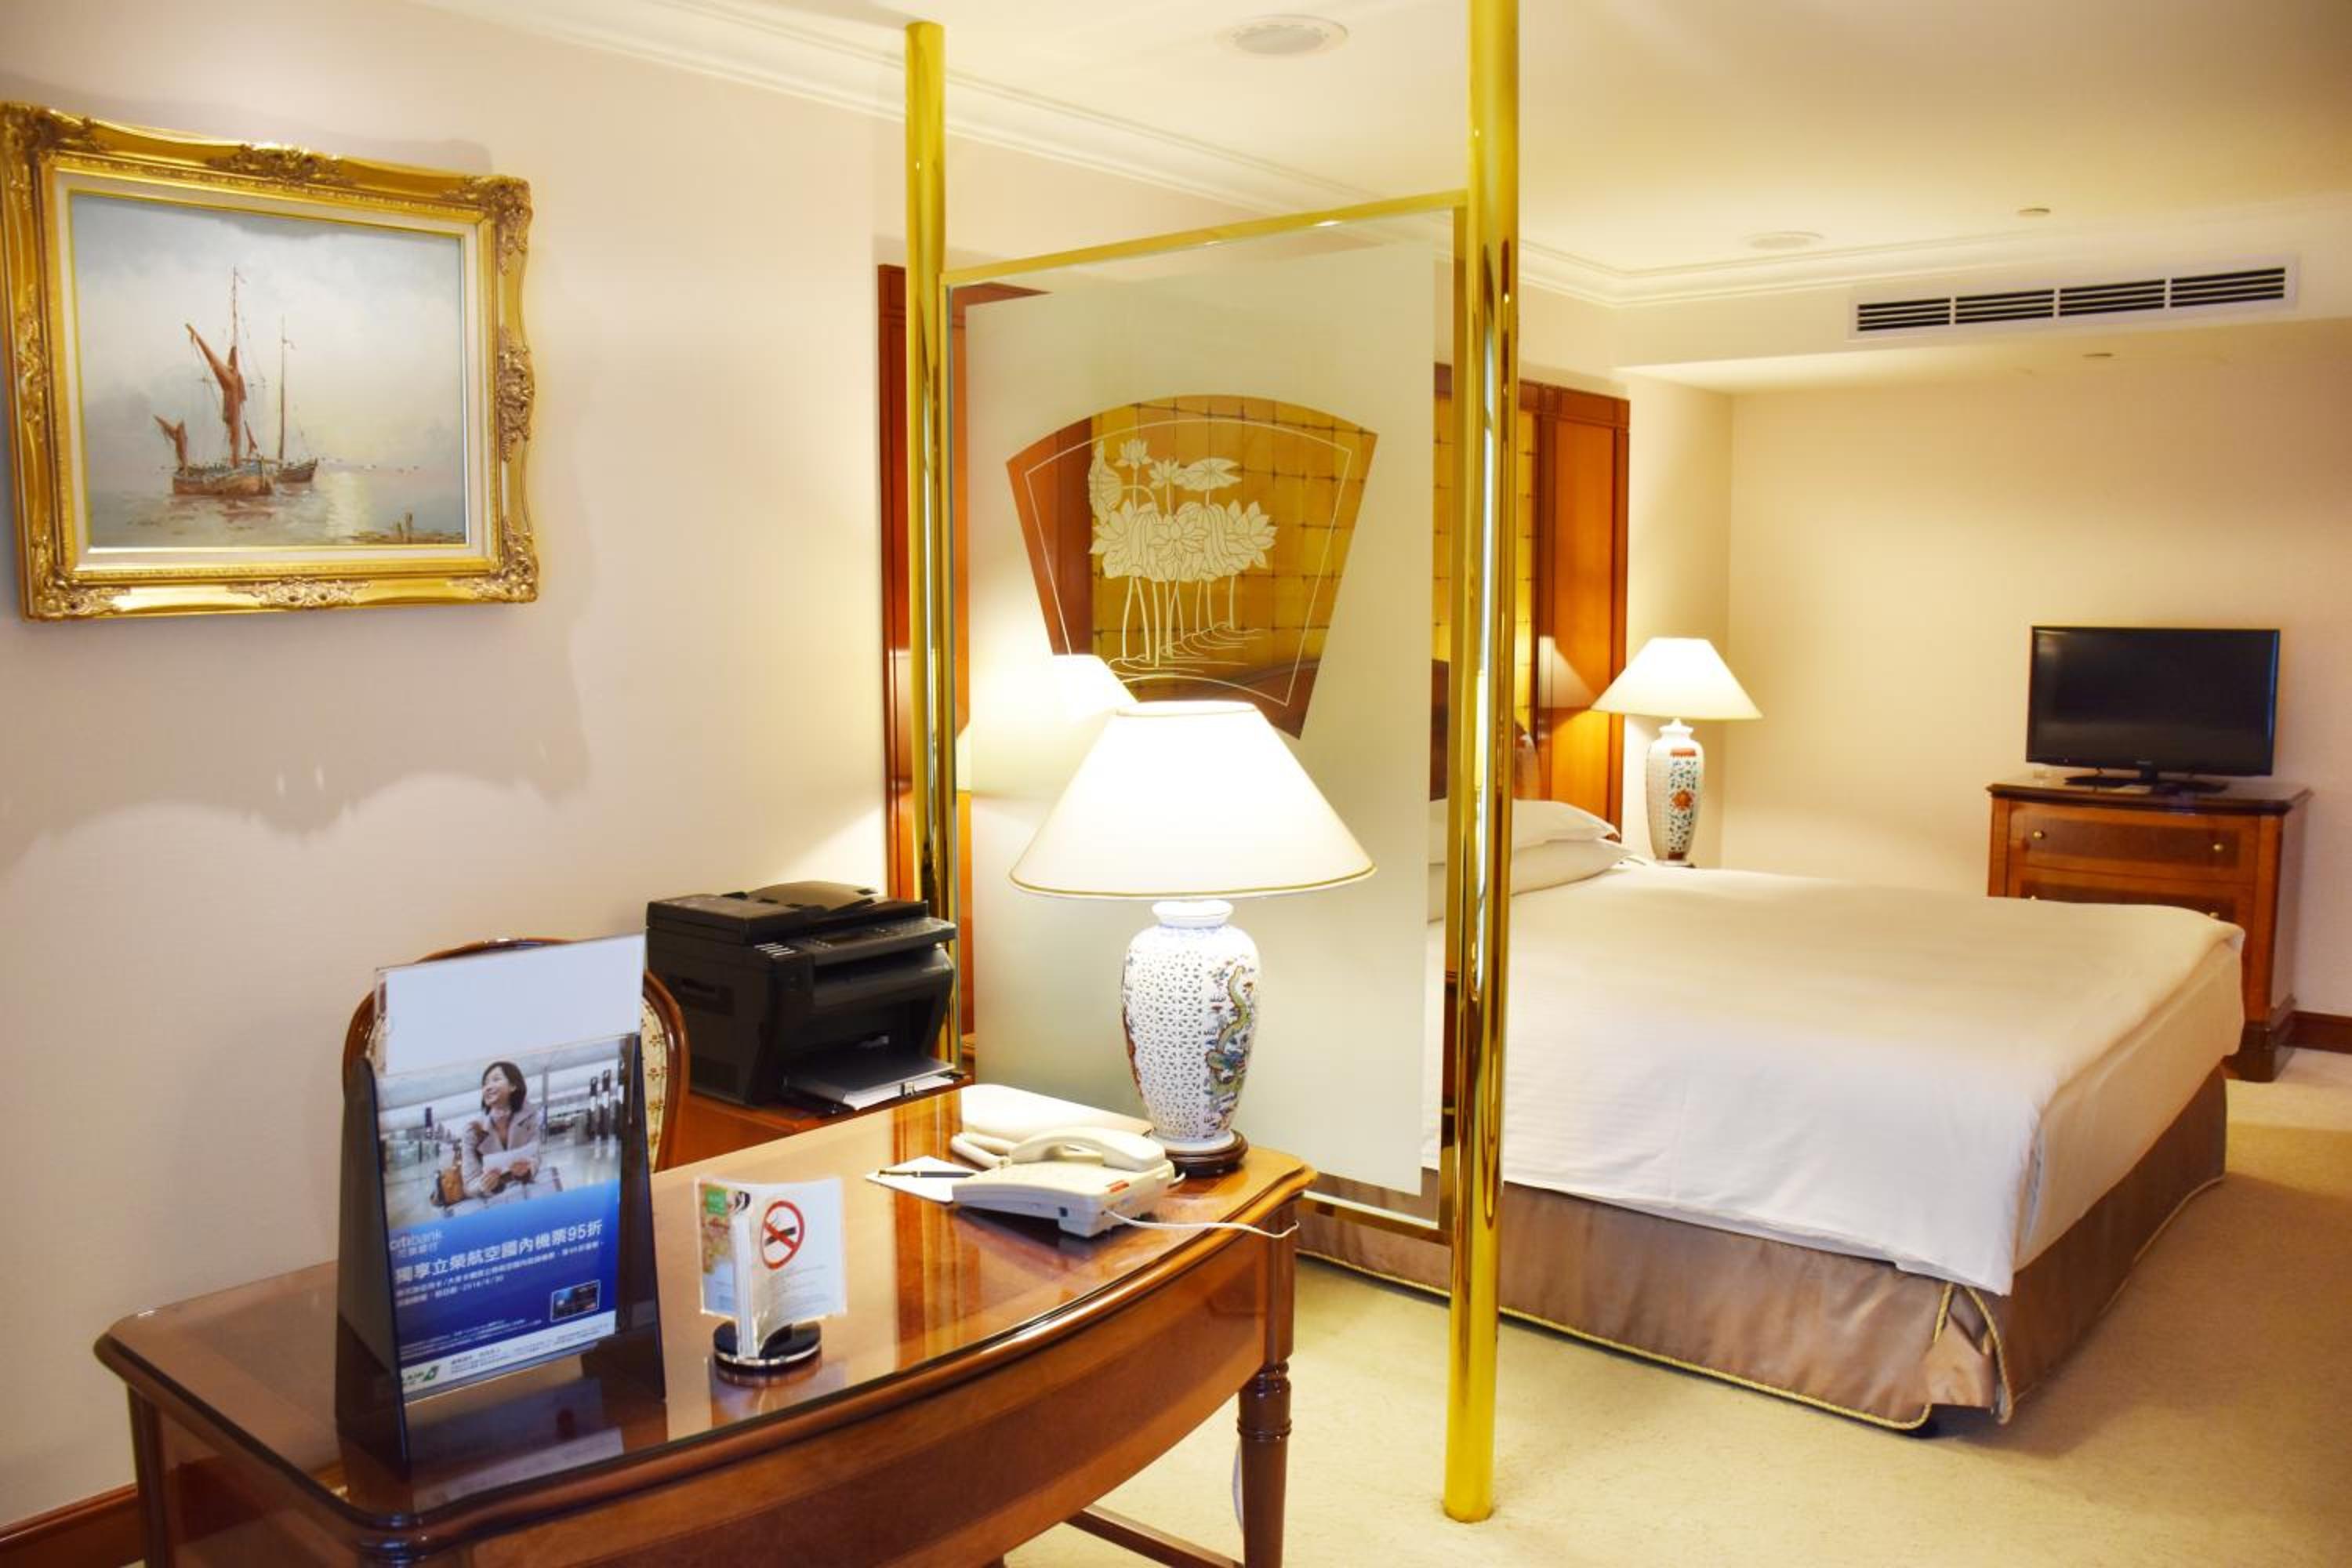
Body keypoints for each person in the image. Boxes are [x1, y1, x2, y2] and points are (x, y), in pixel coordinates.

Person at [463, 1060, 542, 1200]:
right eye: (485, 1084)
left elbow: (535, 1158)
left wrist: (527, 1171)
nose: (488, 1087)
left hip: (526, 1197)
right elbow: (469, 1184)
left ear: (513, 1086)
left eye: (496, 1079)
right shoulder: (472, 1130)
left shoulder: (530, 1117)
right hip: (492, 1204)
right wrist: (484, 1185)